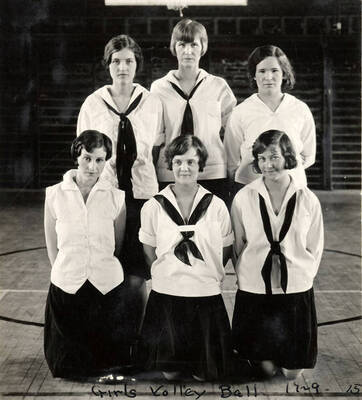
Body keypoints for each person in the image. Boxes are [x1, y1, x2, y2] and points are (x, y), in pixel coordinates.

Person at [77, 34, 163, 340]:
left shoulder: (152, 102)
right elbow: (85, 154)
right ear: (107, 65)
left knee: (138, 273)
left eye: (128, 61)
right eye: (116, 61)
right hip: (106, 194)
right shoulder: (93, 103)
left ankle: (138, 340)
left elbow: (157, 144)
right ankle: (110, 339)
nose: (122, 67)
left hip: (141, 195)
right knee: (107, 267)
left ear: (137, 63)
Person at [138, 135, 234, 381]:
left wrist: (203, 275)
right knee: (170, 374)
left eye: (191, 162)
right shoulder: (153, 206)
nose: (184, 168)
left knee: (206, 375)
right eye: (179, 161)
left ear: (201, 165)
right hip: (168, 296)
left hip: (205, 296)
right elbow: (149, 250)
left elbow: (224, 250)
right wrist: (170, 276)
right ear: (170, 164)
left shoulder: (217, 206)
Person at [230, 130, 323, 380]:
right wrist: (246, 276)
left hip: (294, 287)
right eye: (261, 158)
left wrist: (301, 278)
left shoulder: (307, 198)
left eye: (273, 157)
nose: (268, 164)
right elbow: (238, 244)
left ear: (288, 157)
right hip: (255, 288)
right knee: (266, 370)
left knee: (292, 373)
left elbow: (315, 245)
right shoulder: (244, 197)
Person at [43, 130, 129, 378]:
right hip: (67, 285)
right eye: (87, 158)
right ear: (77, 156)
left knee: (106, 363)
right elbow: (52, 247)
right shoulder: (54, 195)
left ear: (106, 161)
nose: (93, 166)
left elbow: (117, 245)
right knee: (66, 367)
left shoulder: (116, 197)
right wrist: (67, 274)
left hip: (105, 286)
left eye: (100, 160)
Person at [151, 18, 237, 201]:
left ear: (203, 48)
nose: (188, 51)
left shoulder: (218, 86)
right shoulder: (159, 88)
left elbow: (234, 132)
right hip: (170, 172)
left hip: (212, 172)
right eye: (182, 44)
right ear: (174, 47)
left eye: (194, 45)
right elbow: (155, 137)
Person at [224, 45, 316, 198]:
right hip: (251, 188)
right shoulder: (241, 112)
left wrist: (284, 173)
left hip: (292, 188)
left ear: (284, 74)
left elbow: (308, 155)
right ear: (253, 75)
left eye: (274, 71)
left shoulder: (300, 109)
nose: (268, 77)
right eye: (262, 71)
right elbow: (231, 159)